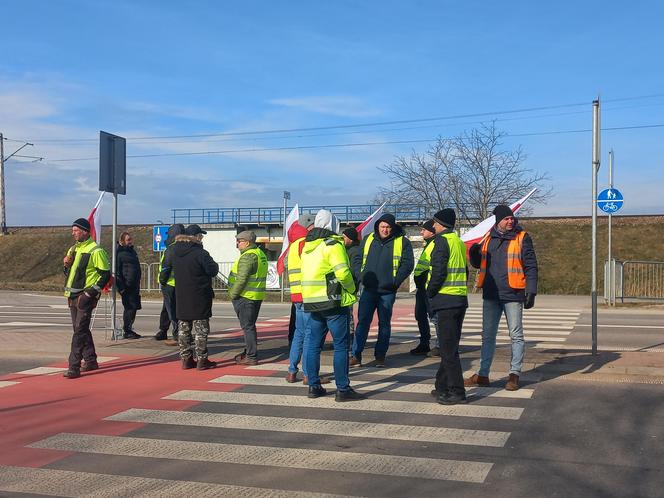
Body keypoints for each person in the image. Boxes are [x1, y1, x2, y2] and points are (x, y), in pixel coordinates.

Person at [465, 205, 538, 391]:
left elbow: (531, 266)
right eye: (506, 219)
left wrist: (531, 290)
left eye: (512, 218)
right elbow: (479, 264)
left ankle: (514, 375)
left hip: (513, 294)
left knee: (516, 335)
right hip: (490, 294)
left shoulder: (522, 237)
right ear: (498, 221)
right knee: (487, 336)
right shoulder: (488, 238)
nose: (510, 221)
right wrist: (474, 254)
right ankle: (483, 374)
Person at [301, 210, 364, 402]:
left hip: (312, 301)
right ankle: (343, 389)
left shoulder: (308, 246)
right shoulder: (332, 244)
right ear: (333, 225)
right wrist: (352, 289)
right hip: (333, 301)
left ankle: (314, 386)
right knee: (341, 346)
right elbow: (343, 273)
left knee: (313, 344)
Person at [350, 213, 414, 367]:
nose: (385, 230)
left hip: (388, 291)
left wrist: (395, 282)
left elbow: (407, 264)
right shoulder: (368, 239)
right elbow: (357, 259)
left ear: (393, 228)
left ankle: (380, 357)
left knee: (384, 325)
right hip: (368, 290)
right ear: (377, 226)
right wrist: (361, 276)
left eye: (388, 227)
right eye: (382, 227)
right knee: (363, 323)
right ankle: (356, 355)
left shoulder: (402, 242)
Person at [427, 208, 469, 405]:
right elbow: (465, 271)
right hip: (459, 299)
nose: (432, 225)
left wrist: (429, 294)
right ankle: (441, 386)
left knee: (448, 350)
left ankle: (457, 391)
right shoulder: (458, 242)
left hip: (445, 301)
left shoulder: (440, 241)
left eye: (434, 222)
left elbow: (438, 272)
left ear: (441, 224)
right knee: (449, 347)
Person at [62, 218, 111, 379]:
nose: (73, 233)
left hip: (84, 296)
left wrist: (90, 293)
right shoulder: (74, 249)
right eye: (73, 230)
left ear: (85, 231)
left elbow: (105, 275)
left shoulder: (96, 251)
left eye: (76, 230)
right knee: (80, 330)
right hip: (72, 295)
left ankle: (73, 366)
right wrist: (66, 265)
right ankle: (90, 360)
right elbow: (70, 272)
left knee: (79, 331)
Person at [171, 224, 219, 370]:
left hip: (181, 296)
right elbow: (212, 270)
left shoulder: (173, 251)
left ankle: (186, 359)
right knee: (201, 330)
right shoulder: (200, 253)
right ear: (196, 237)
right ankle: (202, 360)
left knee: (183, 329)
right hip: (199, 295)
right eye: (201, 235)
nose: (202, 238)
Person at [228, 230, 268, 365]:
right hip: (255, 296)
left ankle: (251, 356)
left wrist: (233, 294)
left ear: (247, 242)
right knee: (250, 326)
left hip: (245, 296)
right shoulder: (259, 253)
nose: (237, 244)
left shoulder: (248, 256)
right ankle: (250, 352)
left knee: (248, 327)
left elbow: (241, 279)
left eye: (239, 241)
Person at [288, 213, 315, 346]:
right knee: (309, 330)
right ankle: (307, 362)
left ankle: (293, 365)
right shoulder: (305, 244)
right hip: (307, 292)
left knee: (298, 330)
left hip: (296, 293)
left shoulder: (292, 246)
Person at [410, 219, 436, 355]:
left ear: (431, 232)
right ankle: (424, 343)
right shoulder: (428, 244)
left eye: (424, 230)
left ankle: (440, 345)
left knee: (434, 316)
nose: (421, 232)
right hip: (422, 288)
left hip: (429, 288)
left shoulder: (436, 244)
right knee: (420, 315)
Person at [157, 224, 185, 345]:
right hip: (179, 284)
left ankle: (176, 335)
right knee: (168, 309)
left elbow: (165, 268)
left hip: (169, 284)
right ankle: (163, 331)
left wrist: (162, 281)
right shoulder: (183, 247)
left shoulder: (171, 249)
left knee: (172, 311)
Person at [115, 231, 142, 340]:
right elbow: (117, 272)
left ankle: (129, 328)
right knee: (130, 308)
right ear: (122, 242)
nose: (130, 241)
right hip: (127, 286)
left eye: (131, 239)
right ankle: (127, 330)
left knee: (134, 307)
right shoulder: (120, 253)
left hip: (134, 285)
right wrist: (121, 288)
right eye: (128, 240)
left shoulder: (132, 252)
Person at [342, 226, 361, 339]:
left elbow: (353, 270)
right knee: (346, 315)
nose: (342, 239)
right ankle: (347, 338)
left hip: (349, 286)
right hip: (349, 286)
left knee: (347, 315)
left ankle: (349, 339)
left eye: (344, 237)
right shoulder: (348, 249)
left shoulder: (353, 251)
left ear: (351, 238)